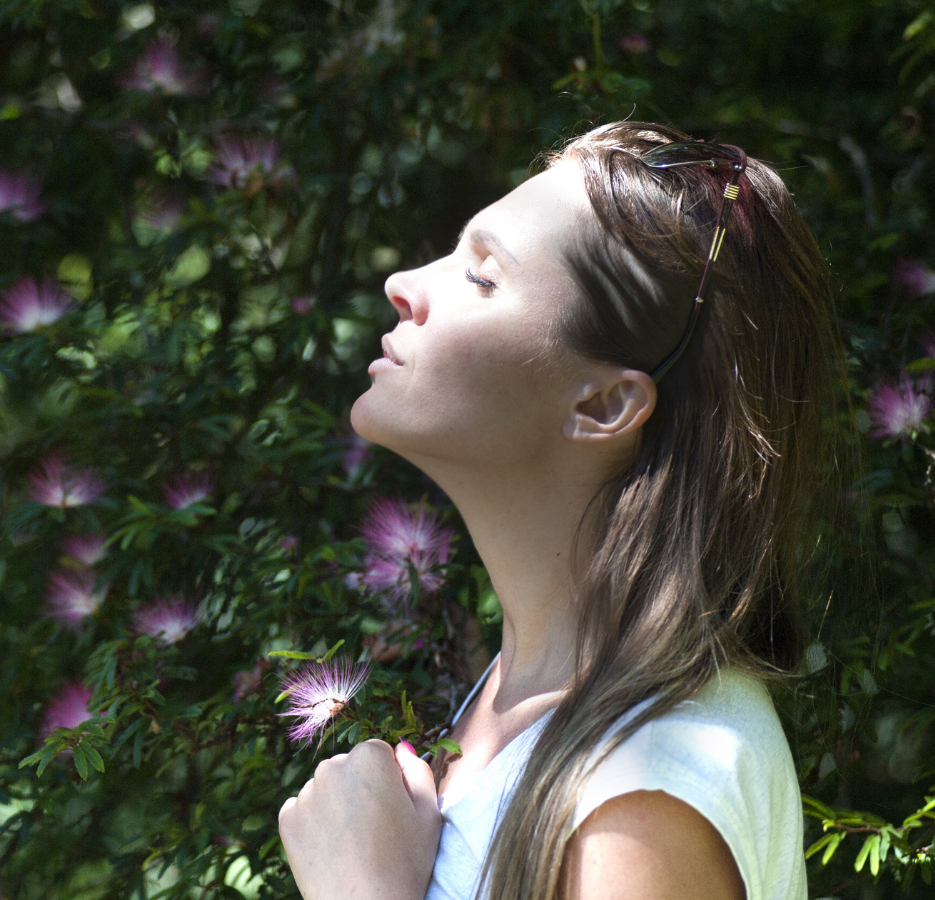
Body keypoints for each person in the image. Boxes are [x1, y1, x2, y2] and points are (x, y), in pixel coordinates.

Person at [278, 121, 838, 900]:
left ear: (604, 404)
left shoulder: (644, 793)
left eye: (482, 278)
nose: (404, 283)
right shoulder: (532, 698)